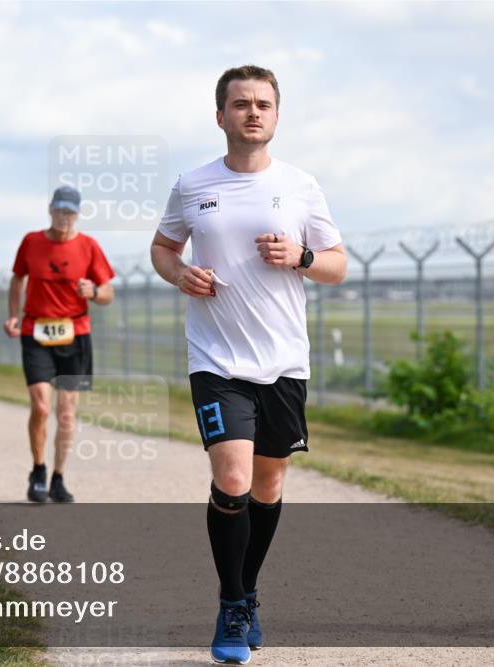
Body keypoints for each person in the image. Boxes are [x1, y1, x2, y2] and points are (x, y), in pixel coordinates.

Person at [150, 65, 346, 664]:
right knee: (232, 480)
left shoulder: (302, 187)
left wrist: (303, 254)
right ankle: (232, 603)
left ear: (277, 116)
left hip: (284, 362)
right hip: (216, 360)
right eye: (241, 104)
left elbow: (337, 263)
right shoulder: (192, 185)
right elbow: (162, 247)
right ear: (221, 116)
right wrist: (181, 273)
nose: (252, 112)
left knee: (269, 484)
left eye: (263, 103)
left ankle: (249, 589)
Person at [4, 186, 115, 503]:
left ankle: (58, 477)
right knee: (41, 406)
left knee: (66, 414)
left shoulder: (88, 246)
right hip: (36, 332)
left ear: (77, 214)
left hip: (75, 335)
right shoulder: (31, 242)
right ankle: (38, 469)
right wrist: (13, 315)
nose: (64, 218)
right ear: (49, 210)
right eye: (59, 211)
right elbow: (17, 279)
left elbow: (108, 293)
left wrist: (92, 292)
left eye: (70, 212)